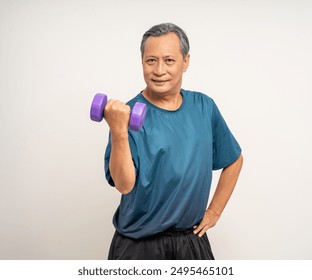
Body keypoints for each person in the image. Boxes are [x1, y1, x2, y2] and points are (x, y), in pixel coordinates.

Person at [104, 23, 243, 260]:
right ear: (142, 62)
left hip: (191, 241)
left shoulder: (204, 107)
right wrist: (118, 131)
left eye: (169, 60)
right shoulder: (126, 116)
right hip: (139, 246)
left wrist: (214, 211)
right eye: (151, 60)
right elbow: (124, 185)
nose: (159, 70)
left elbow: (234, 159)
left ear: (185, 62)